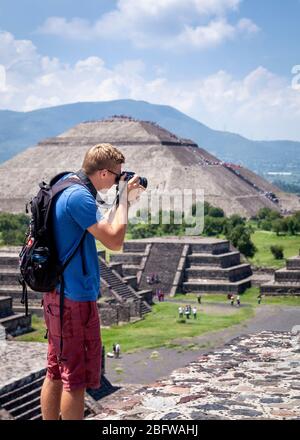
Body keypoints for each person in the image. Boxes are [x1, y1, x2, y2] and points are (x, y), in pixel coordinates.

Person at [41, 143, 145, 420]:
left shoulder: (65, 184)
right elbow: (115, 241)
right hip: (74, 299)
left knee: (54, 370)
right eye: (116, 176)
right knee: (75, 379)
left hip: (56, 294)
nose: (117, 181)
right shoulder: (79, 198)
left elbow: (105, 229)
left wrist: (123, 198)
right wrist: (123, 199)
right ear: (101, 173)